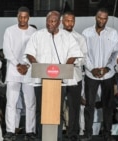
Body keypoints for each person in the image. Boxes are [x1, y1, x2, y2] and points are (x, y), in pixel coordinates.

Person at [24, 10, 83, 141]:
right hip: (40, 79)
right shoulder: (37, 35)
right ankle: (41, 136)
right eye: (48, 21)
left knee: (57, 110)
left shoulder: (67, 37)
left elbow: (74, 54)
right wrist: (37, 66)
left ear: (59, 23)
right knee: (41, 109)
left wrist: (66, 67)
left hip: (59, 81)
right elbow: (29, 53)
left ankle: (57, 137)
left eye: (53, 21)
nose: (49, 23)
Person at [81, 8, 118, 141]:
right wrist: (92, 69)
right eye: (100, 18)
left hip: (108, 75)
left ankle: (107, 133)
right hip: (90, 74)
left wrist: (108, 68)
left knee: (108, 105)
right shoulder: (86, 32)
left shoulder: (113, 33)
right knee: (89, 105)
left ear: (107, 19)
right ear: (95, 17)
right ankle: (87, 133)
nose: (102, 20)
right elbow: (83, 54)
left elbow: (116, 54)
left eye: (104, 18)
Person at [2, 6, 37, 141]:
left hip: (28, 71)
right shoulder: (9, 31)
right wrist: (18, 64)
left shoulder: (34, 32)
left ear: (29, 17)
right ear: (17, 16)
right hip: (13, 70)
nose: (22, 19)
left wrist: (26, 65)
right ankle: (10, 130)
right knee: (11, 102)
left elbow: (34, 51)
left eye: (25, 17)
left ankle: (30, 131)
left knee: (30, 102)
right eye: (20, 17)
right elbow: (7, 50)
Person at [61, 11, 87, 141]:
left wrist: (72, 62)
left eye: (72, 21)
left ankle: (72, 134)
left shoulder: (80, 38)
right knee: (57, 106)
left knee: (74, 107)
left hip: (75, 76)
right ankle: (58, 133)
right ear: (62, 22)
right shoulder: (55, 36)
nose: (69, 23)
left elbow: (83, 58)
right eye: (67, 20)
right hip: (58, 77)